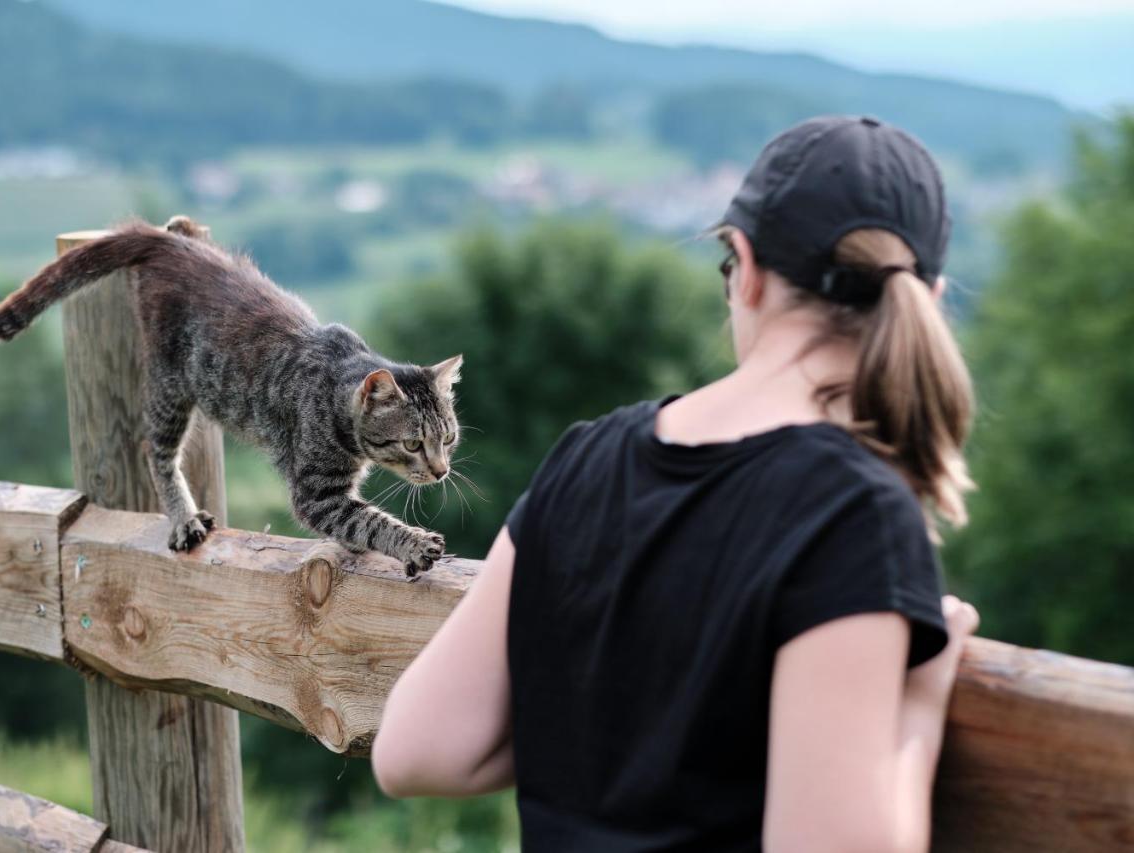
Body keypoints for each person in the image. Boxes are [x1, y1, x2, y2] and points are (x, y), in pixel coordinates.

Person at [371, 114, 982, 853]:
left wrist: (604, 730)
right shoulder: (854, 511)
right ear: (929, 296)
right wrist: (918, 706)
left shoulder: (588, 457)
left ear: (746, 268)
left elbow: (417, 750)